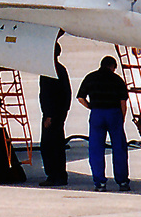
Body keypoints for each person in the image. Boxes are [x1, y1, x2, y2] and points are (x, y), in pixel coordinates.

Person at [77, 55, 130, 191]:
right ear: (112, 67)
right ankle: (122, 181)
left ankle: (100, 183)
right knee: (119, 148)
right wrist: (122, 119)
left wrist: (91, 106)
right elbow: (123, 103)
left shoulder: (91, 77)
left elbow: (80, 97)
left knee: (96, 149)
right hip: (113, 114)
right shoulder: (117, 80)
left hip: (97, 114)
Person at [38, 42, 72, 187]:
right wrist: (63, 113)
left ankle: (53, 175)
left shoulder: (49, 71)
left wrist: (49, 116)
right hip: (59, 114)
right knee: (58, 145)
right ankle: (60, 175)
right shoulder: (61, 69)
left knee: (48, 146)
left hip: (51, 115)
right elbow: (67, 93)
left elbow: (49, 95)